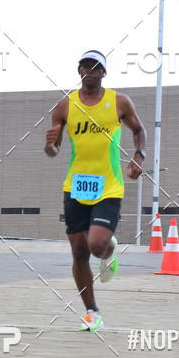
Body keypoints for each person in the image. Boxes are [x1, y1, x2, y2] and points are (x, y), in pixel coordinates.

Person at [44, 50, 146, 331]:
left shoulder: (119, 102)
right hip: (75, 186)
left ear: (103, 72)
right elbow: (53, 152)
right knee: (79, 253)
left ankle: (110, 250)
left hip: (109, 185)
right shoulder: (64, 106)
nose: (90, 70)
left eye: (96, 66)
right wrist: (49, 144)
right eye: (85, 66)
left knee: (97, 245)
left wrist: (139, 156)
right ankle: (92, 312)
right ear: (79, 71)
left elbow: (139, 130)